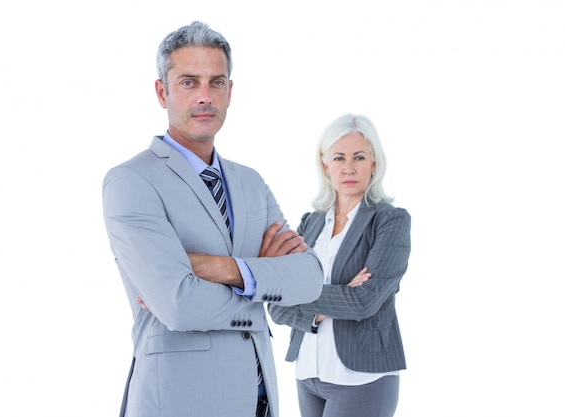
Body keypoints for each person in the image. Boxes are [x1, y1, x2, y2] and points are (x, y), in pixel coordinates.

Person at [102, 21, 324, 417]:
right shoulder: (131, 181)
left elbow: (309, 278)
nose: (205, 96)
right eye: (189, 82)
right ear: (161, 91)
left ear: (230, 91)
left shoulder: (250, 182)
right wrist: (263, 280)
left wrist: (217, 268)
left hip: (259, 402)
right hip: (180, 401)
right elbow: (178, 306)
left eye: (216, 82)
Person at [268, 114, 411, 417]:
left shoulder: (390, 221)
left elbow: (364, 301)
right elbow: (277, 306)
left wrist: (300, 293)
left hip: (361, 376)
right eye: (339, 158)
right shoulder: (310, 224)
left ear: (374, 163)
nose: (348, 167)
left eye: (359, 157)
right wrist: (338, 294)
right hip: (308, 369)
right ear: (325, 165)